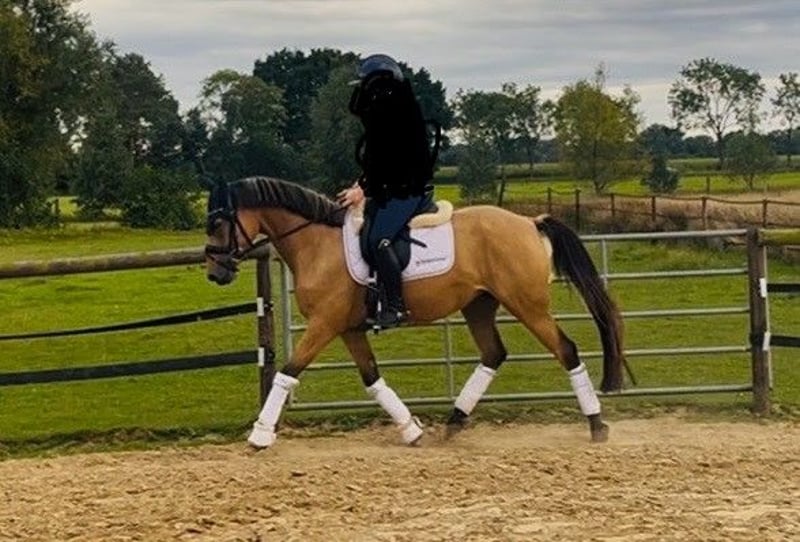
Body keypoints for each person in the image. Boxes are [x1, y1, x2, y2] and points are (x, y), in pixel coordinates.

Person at [338, 53, 437, 329]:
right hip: (391, 192)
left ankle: (396, 306)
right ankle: (373, 297)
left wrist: (363, 190)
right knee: (364, 232)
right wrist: (358, 187)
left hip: (408, 193)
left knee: (380, 239)